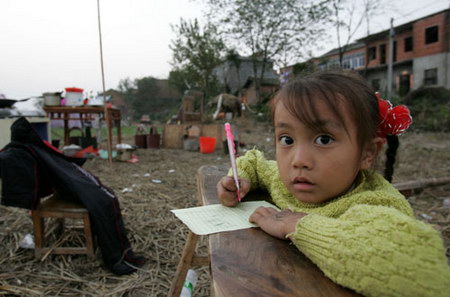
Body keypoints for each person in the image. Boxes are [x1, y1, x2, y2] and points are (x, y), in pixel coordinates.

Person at [217, 71, 450, 297]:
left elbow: (421, 271)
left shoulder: (377, 203)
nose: (299, 161)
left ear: (367, 153)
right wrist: (239, 179)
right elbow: (255, 163)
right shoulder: (283, 177)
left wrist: (298, 224)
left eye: (324, 139)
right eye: (287, 139)